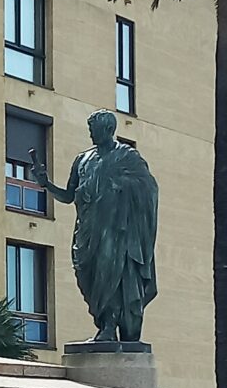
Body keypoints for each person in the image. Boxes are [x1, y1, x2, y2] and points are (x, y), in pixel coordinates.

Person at [31, 110, 159, 343]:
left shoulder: (127, 156)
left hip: (115, 231)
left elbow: (148, 188)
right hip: (88, 231)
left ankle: (109, 326)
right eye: (90, 129)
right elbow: (69, 196)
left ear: (108, 130)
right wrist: (45, 183)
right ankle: (104, 322)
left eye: (94, 129)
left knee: (110, 275)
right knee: (88, 277)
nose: (91, 134)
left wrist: (117, 186)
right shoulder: (82, 159)